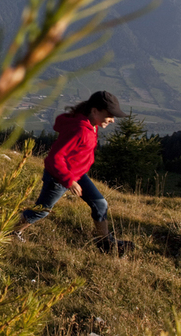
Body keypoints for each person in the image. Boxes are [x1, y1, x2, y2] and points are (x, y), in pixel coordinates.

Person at [15, 91, 133, 254]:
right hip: (59, 177)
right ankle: (12, 230)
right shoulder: (80, 129)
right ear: (95, 111)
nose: (112, 120)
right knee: (41, 211)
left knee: (100, 204)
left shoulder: (91, 124)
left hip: (77, 174)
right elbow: (54, 158)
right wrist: (69, 180)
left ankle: (105, 244)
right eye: (110, 115)